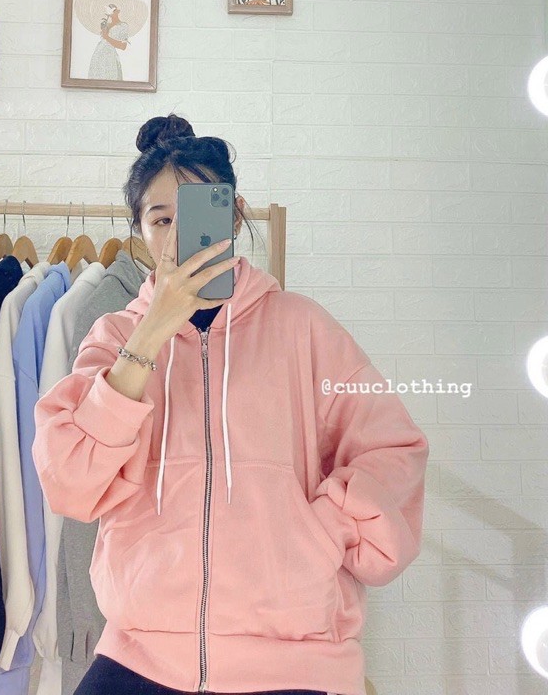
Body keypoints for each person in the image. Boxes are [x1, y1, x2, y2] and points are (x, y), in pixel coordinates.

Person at [32, 114, 429, 695]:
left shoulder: (302, 328)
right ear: (140, 232)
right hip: (140, 655)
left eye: (194, 213)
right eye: (160, 220)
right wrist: (151, 334)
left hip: (293, 659)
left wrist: (316, 536)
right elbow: (69, 481)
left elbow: (393, 450)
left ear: (234, 215)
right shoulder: (115, 336)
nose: (177, 236)